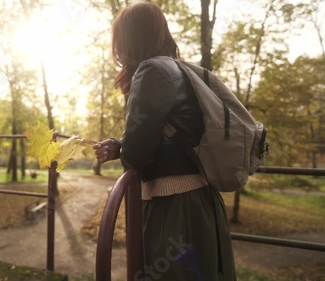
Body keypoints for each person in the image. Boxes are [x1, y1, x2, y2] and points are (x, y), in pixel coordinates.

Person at [93, 2, 237, 280]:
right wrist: (119, 146)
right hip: (201, 204)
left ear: (129, 38)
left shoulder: (150, 72)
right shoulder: (179, 69)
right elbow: (170, 134)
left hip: (173, 209)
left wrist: (126, 151)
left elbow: (137, 156)